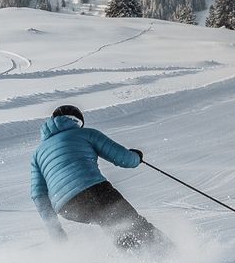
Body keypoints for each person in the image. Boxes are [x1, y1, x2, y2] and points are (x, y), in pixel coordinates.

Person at [29, 104, 164, 249]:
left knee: (115, 227)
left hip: (68, 207)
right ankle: (168, 254)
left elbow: (38, 194)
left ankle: (138, 262)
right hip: (94, 191)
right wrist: (136, 157)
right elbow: (123, 158)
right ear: (78, 122)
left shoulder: (37, 154)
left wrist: (55, 228)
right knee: (133, 224)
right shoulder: (85, 134)